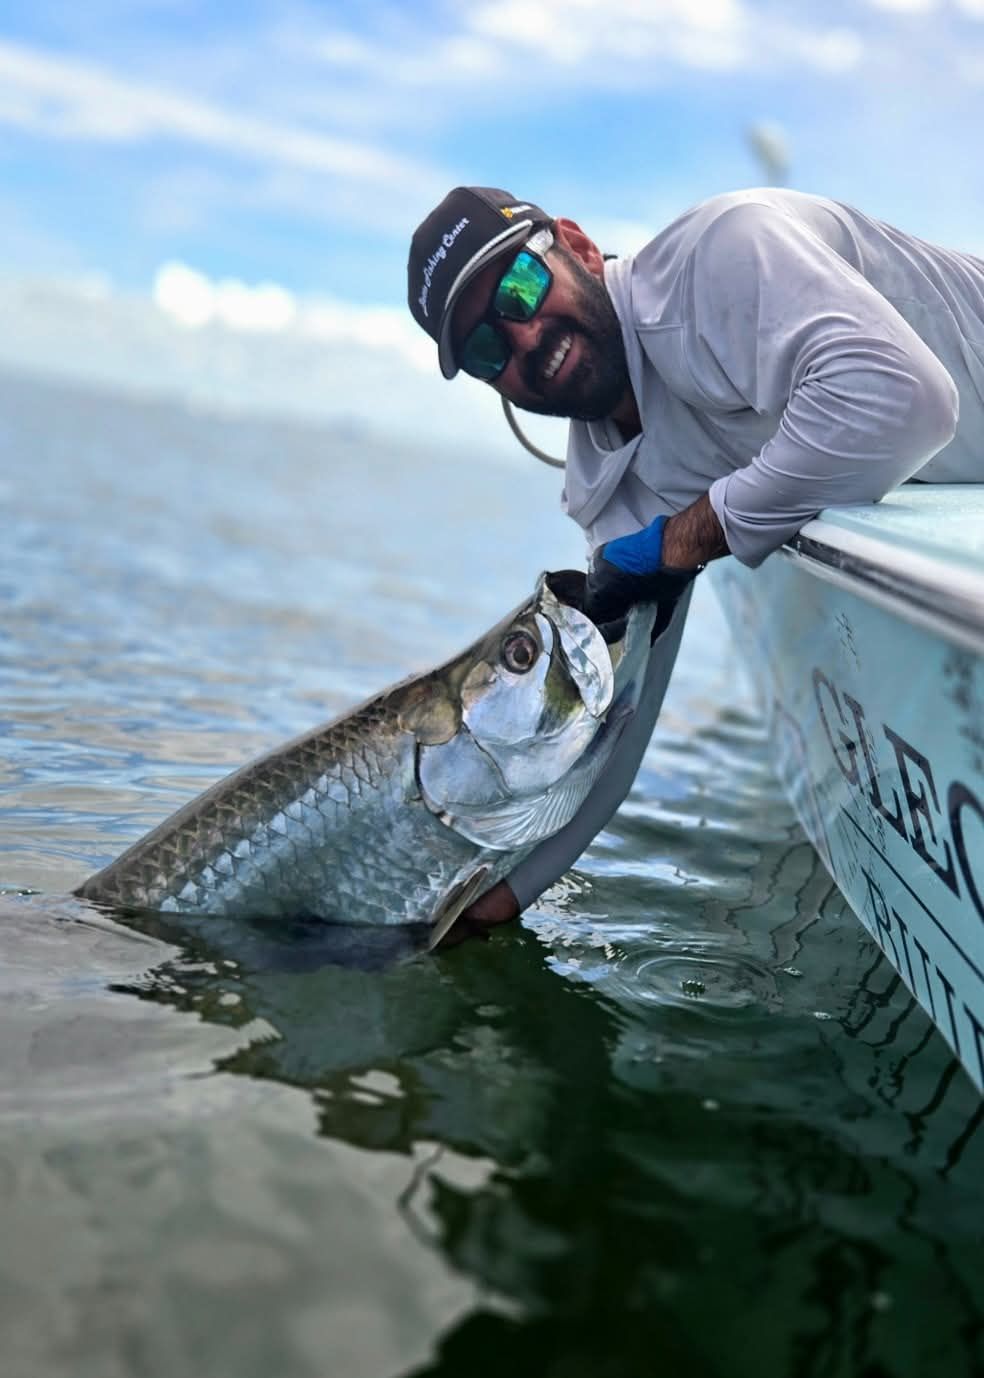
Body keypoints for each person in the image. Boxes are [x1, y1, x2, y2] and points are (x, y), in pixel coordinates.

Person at [406, 184, 984, 939]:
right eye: (486, 348)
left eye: (520, 287)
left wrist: (687, 539)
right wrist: (505, 894)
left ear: (577, 246)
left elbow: (906, 404)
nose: (521, 339)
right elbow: (614, 729)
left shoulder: (723, 257)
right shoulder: (609, 499)